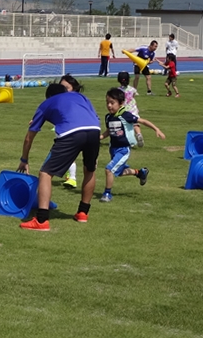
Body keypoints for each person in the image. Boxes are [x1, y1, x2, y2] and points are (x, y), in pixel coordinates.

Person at [17, 82, 101, 231]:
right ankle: (83, 213)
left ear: (49, 96)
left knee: (46, 173)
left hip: (72, 133)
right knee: (90, 169)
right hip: (95, 130)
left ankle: (41, 220)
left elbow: (29, 137)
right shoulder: (80, 96)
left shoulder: (46, 103)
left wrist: (24, 159)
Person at [99, 88, 165, 202]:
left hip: (123, 150)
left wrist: (156, 129)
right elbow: (109, 131)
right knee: (118, 172)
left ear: (121, 103)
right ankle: (140, 173)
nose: (109, 105)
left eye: (112, 103)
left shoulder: (126, 115)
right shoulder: (108, 117)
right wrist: (100, 137)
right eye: (107, 102)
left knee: (109, 170)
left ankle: (107, 194)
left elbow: (142, 121)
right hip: (113, 149)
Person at [59, 74, 84, 188]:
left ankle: (72, 178)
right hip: (64, 130)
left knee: (69, 155)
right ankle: (70, 176)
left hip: (75, 130)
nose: (63, 90)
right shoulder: (61, 99)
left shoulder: (76, 100)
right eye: (61, 87)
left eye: (67, 87)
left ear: (73, 89)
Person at [117, 71, 144, 147]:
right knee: (136, 124)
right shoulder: (132, 89)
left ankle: (129, 140)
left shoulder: (118, 90)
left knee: (127, 127)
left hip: (124, 110)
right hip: (133, 109)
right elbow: (133, 96)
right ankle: (138, 134)